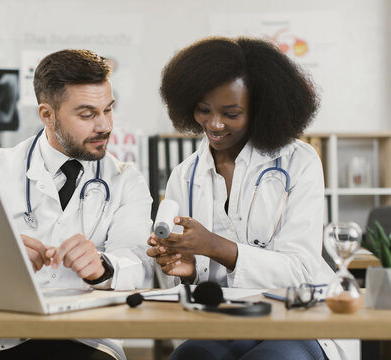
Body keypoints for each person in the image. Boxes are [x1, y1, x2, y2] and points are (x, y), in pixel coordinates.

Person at [148, 37, 358, 360]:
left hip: (299, 319)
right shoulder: (185, 176)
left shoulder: (299, 162)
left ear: (259, 109)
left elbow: (300, 269)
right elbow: (192, 284)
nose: (215, 124)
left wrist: (213, 246)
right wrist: (188, 270)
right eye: (204, 110)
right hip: (229, 322)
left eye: (231, 113)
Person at [0, 49, 153, 360]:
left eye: (108, 110)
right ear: (47, 115)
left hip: (86, 338)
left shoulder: (126, 180)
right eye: (87, 114)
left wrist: (104, 268)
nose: (105, 126)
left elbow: (140, 265)